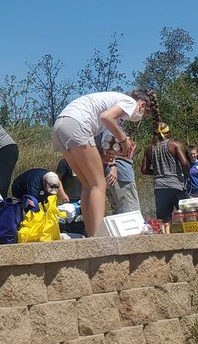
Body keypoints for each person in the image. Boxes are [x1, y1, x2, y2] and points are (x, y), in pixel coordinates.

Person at [51, 88, 155, 237]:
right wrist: (124, 140)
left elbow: (101, 128)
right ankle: (98, 236)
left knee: (87, 184)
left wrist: (103, 156)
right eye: (144, 114)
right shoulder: (130, 102)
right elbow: (106, 117)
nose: (140, 117)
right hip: (78, 122)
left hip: (61, 125)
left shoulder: (113, 102)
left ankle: (91, 235)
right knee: (99, 184)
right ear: (142, 105)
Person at [140, 120, 189, 226]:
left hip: (159, 187)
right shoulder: (174, 144)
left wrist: (158, 172)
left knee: (164, 220)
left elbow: (144, 170)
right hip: (176, 185)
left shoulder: (150, 148)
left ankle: (165, 239)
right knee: (186, 217)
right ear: (168, 133)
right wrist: (187, 176)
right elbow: (184, 163)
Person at [98, 130, 141, 215]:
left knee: (118, 210)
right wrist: (112, 165)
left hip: (113, 172)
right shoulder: (110, 127)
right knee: (130, 210)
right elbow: (108, 148)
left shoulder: (101, 128)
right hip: (121, 173)